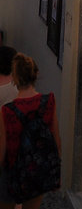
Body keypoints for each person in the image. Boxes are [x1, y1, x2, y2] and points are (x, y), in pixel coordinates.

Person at [0, 54, 61, 208]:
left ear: (14, 78)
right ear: (36, 74)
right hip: (37, 171)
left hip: (12, 173)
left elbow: (3, 149)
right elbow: (56, 139)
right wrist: (55, 174)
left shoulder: (7, 111)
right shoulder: (48, 102)